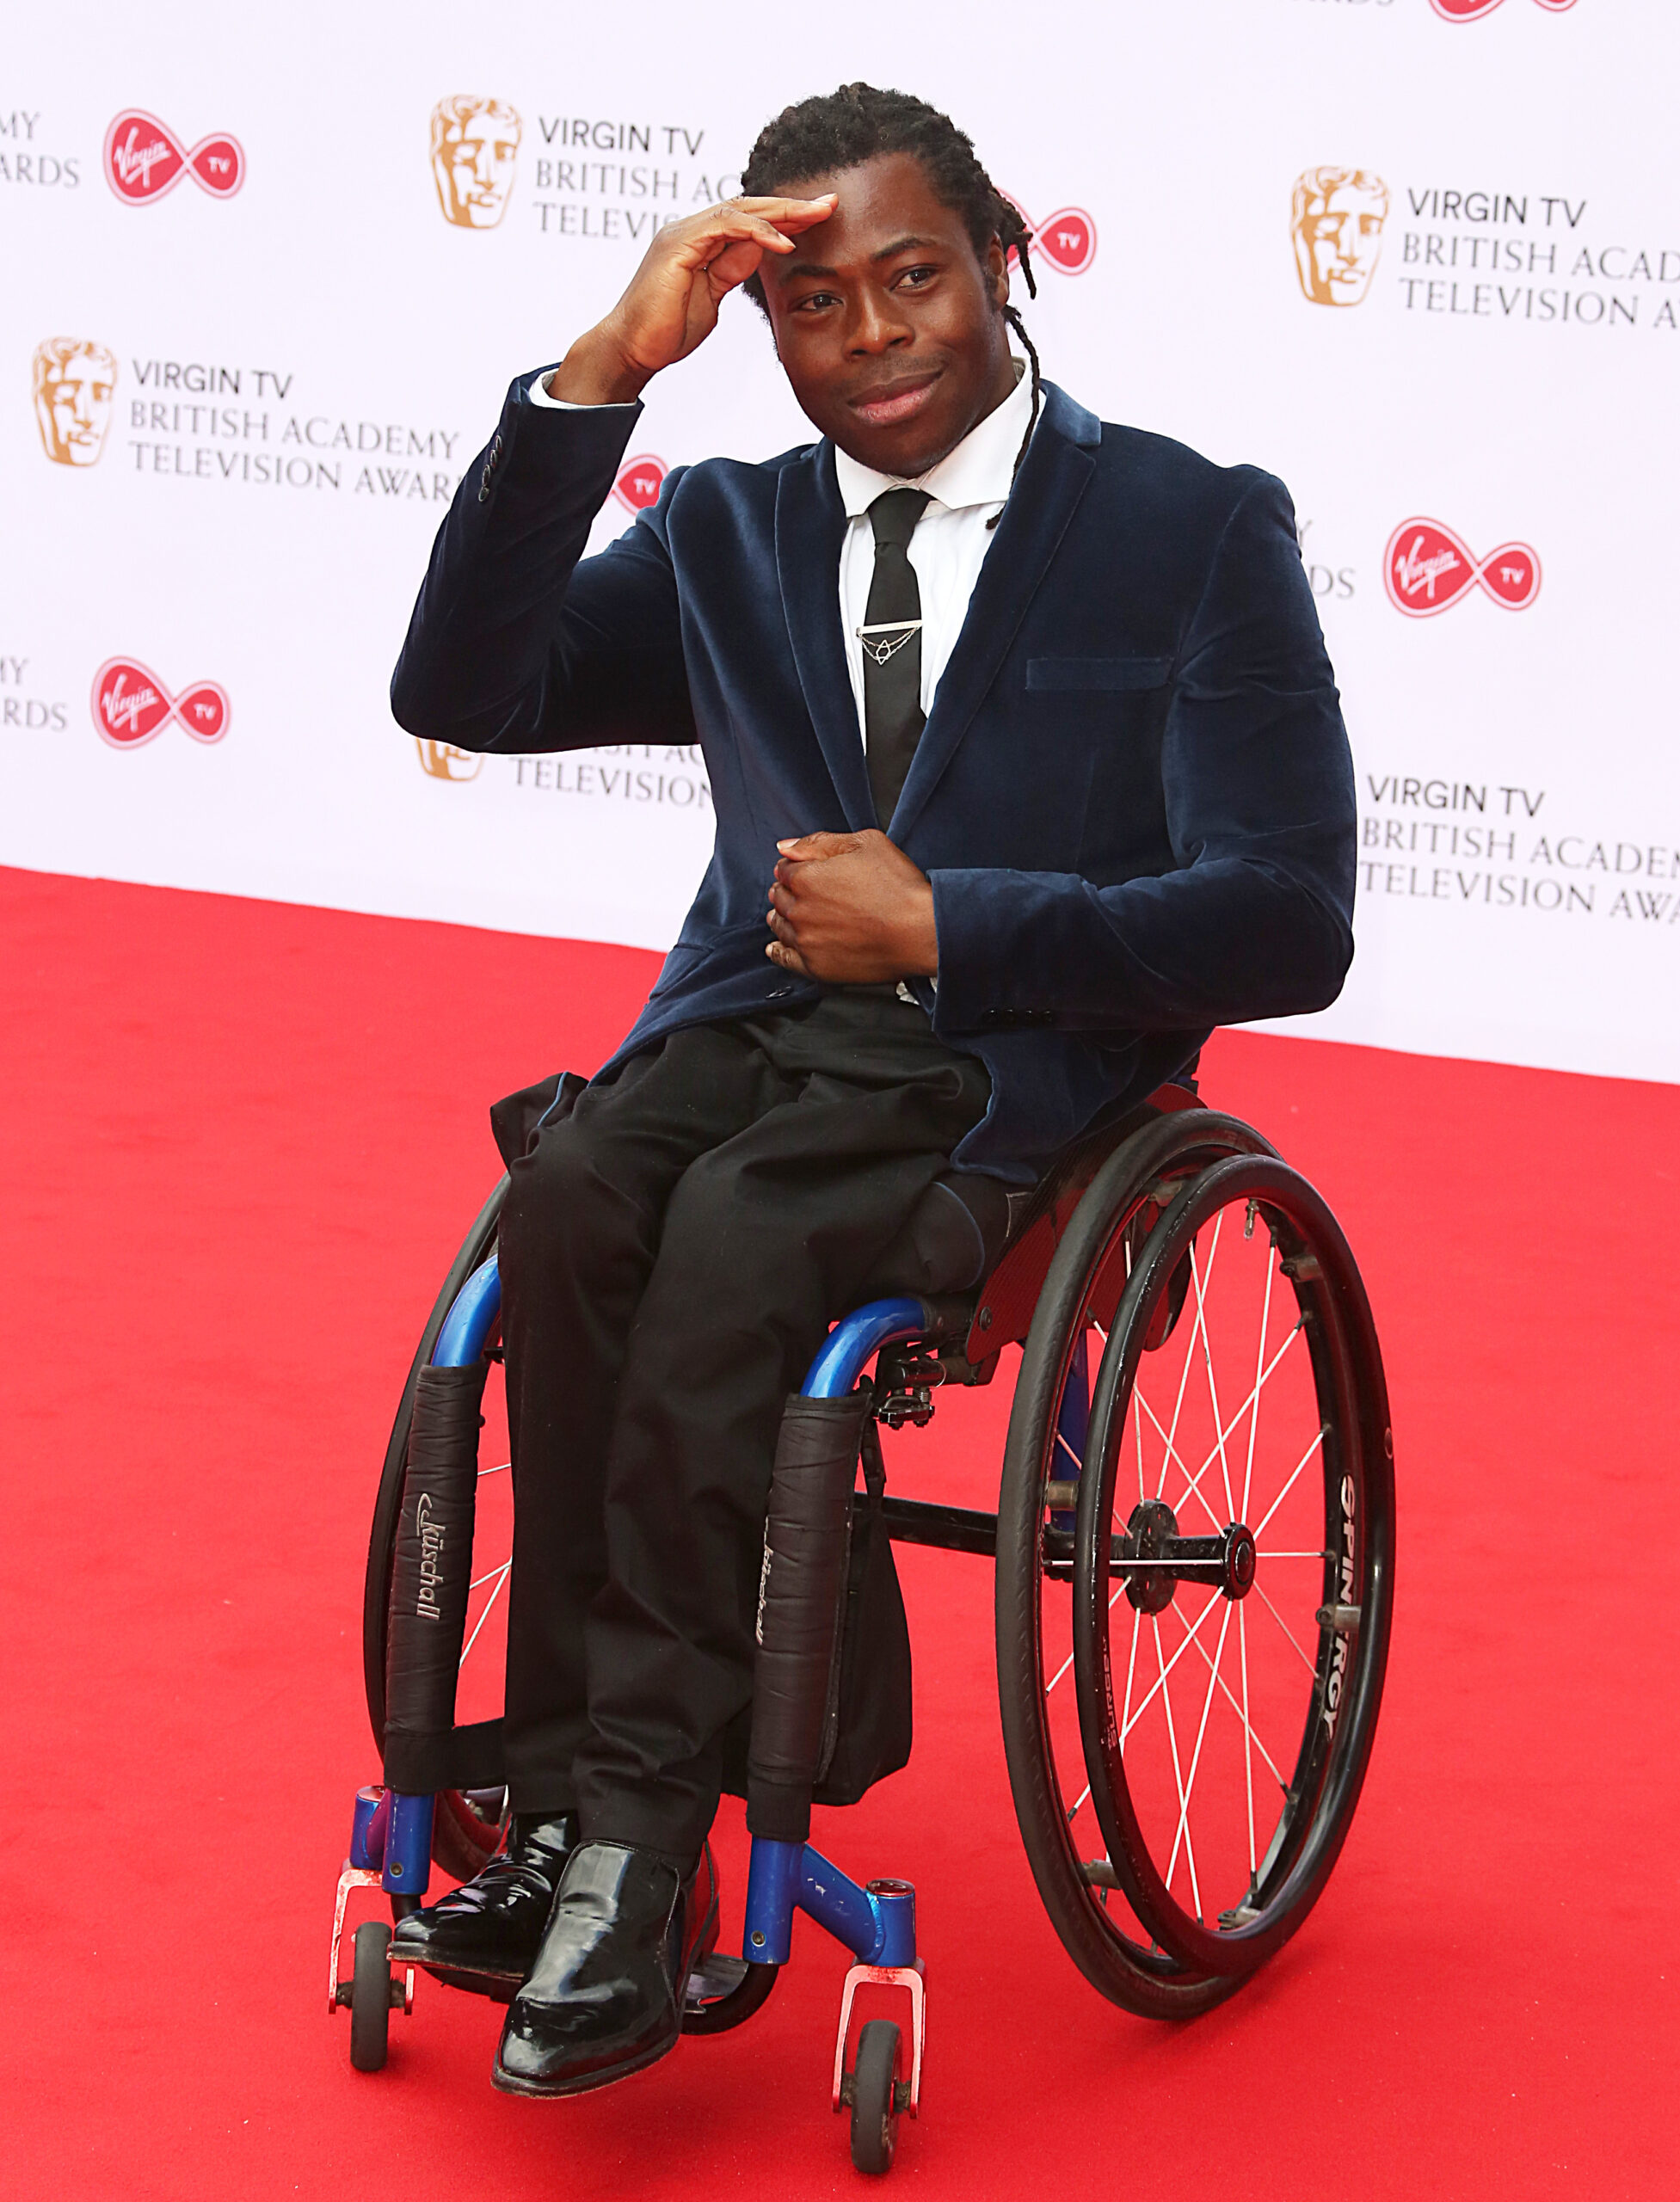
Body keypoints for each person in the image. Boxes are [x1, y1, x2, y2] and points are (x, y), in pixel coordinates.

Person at [389, 82, 1356, 2101]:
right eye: (813, 305)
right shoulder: (732, 531)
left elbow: (1286, 918)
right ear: (763, 328)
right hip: (742, 1036)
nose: (875, 335)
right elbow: (461, 692)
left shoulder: (1188, 528)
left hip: (1000, 1064)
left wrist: (953, 919)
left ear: (1005, 265)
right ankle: (563, 1809)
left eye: (914, 277)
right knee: (566, 1205)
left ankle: (641, 1846)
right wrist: (594, 375)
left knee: (738, 1247)